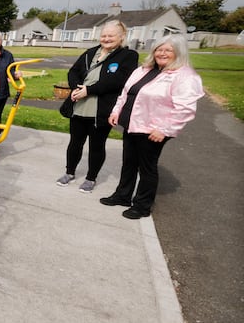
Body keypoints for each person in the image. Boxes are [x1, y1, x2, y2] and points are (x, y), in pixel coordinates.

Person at [101, 35, 204, 219]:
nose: (162, 53)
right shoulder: (144, 69)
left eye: (168, 50)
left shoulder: (185, 76)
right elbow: (126, 93)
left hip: (153, 130)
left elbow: (185, 109)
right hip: (132, 124)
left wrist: (165, 129)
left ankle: (142, 206)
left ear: (178, 53)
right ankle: (123, 195)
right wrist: (116, 111)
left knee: (147, 167)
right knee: (129, 162)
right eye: (159, 49)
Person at [55, 20, 139, 193]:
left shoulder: (128, 56)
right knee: (75, 143)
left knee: (96, 146)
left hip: (101, 110)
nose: (106, 39)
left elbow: (118, 80)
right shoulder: (91, 52)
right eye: (103, 35)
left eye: (110, 35)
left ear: (121, 37)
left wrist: (89, 90)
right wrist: (76, 87)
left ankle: (90, 178)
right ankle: (69, 172)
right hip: (79, 106)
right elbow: (73, 71)